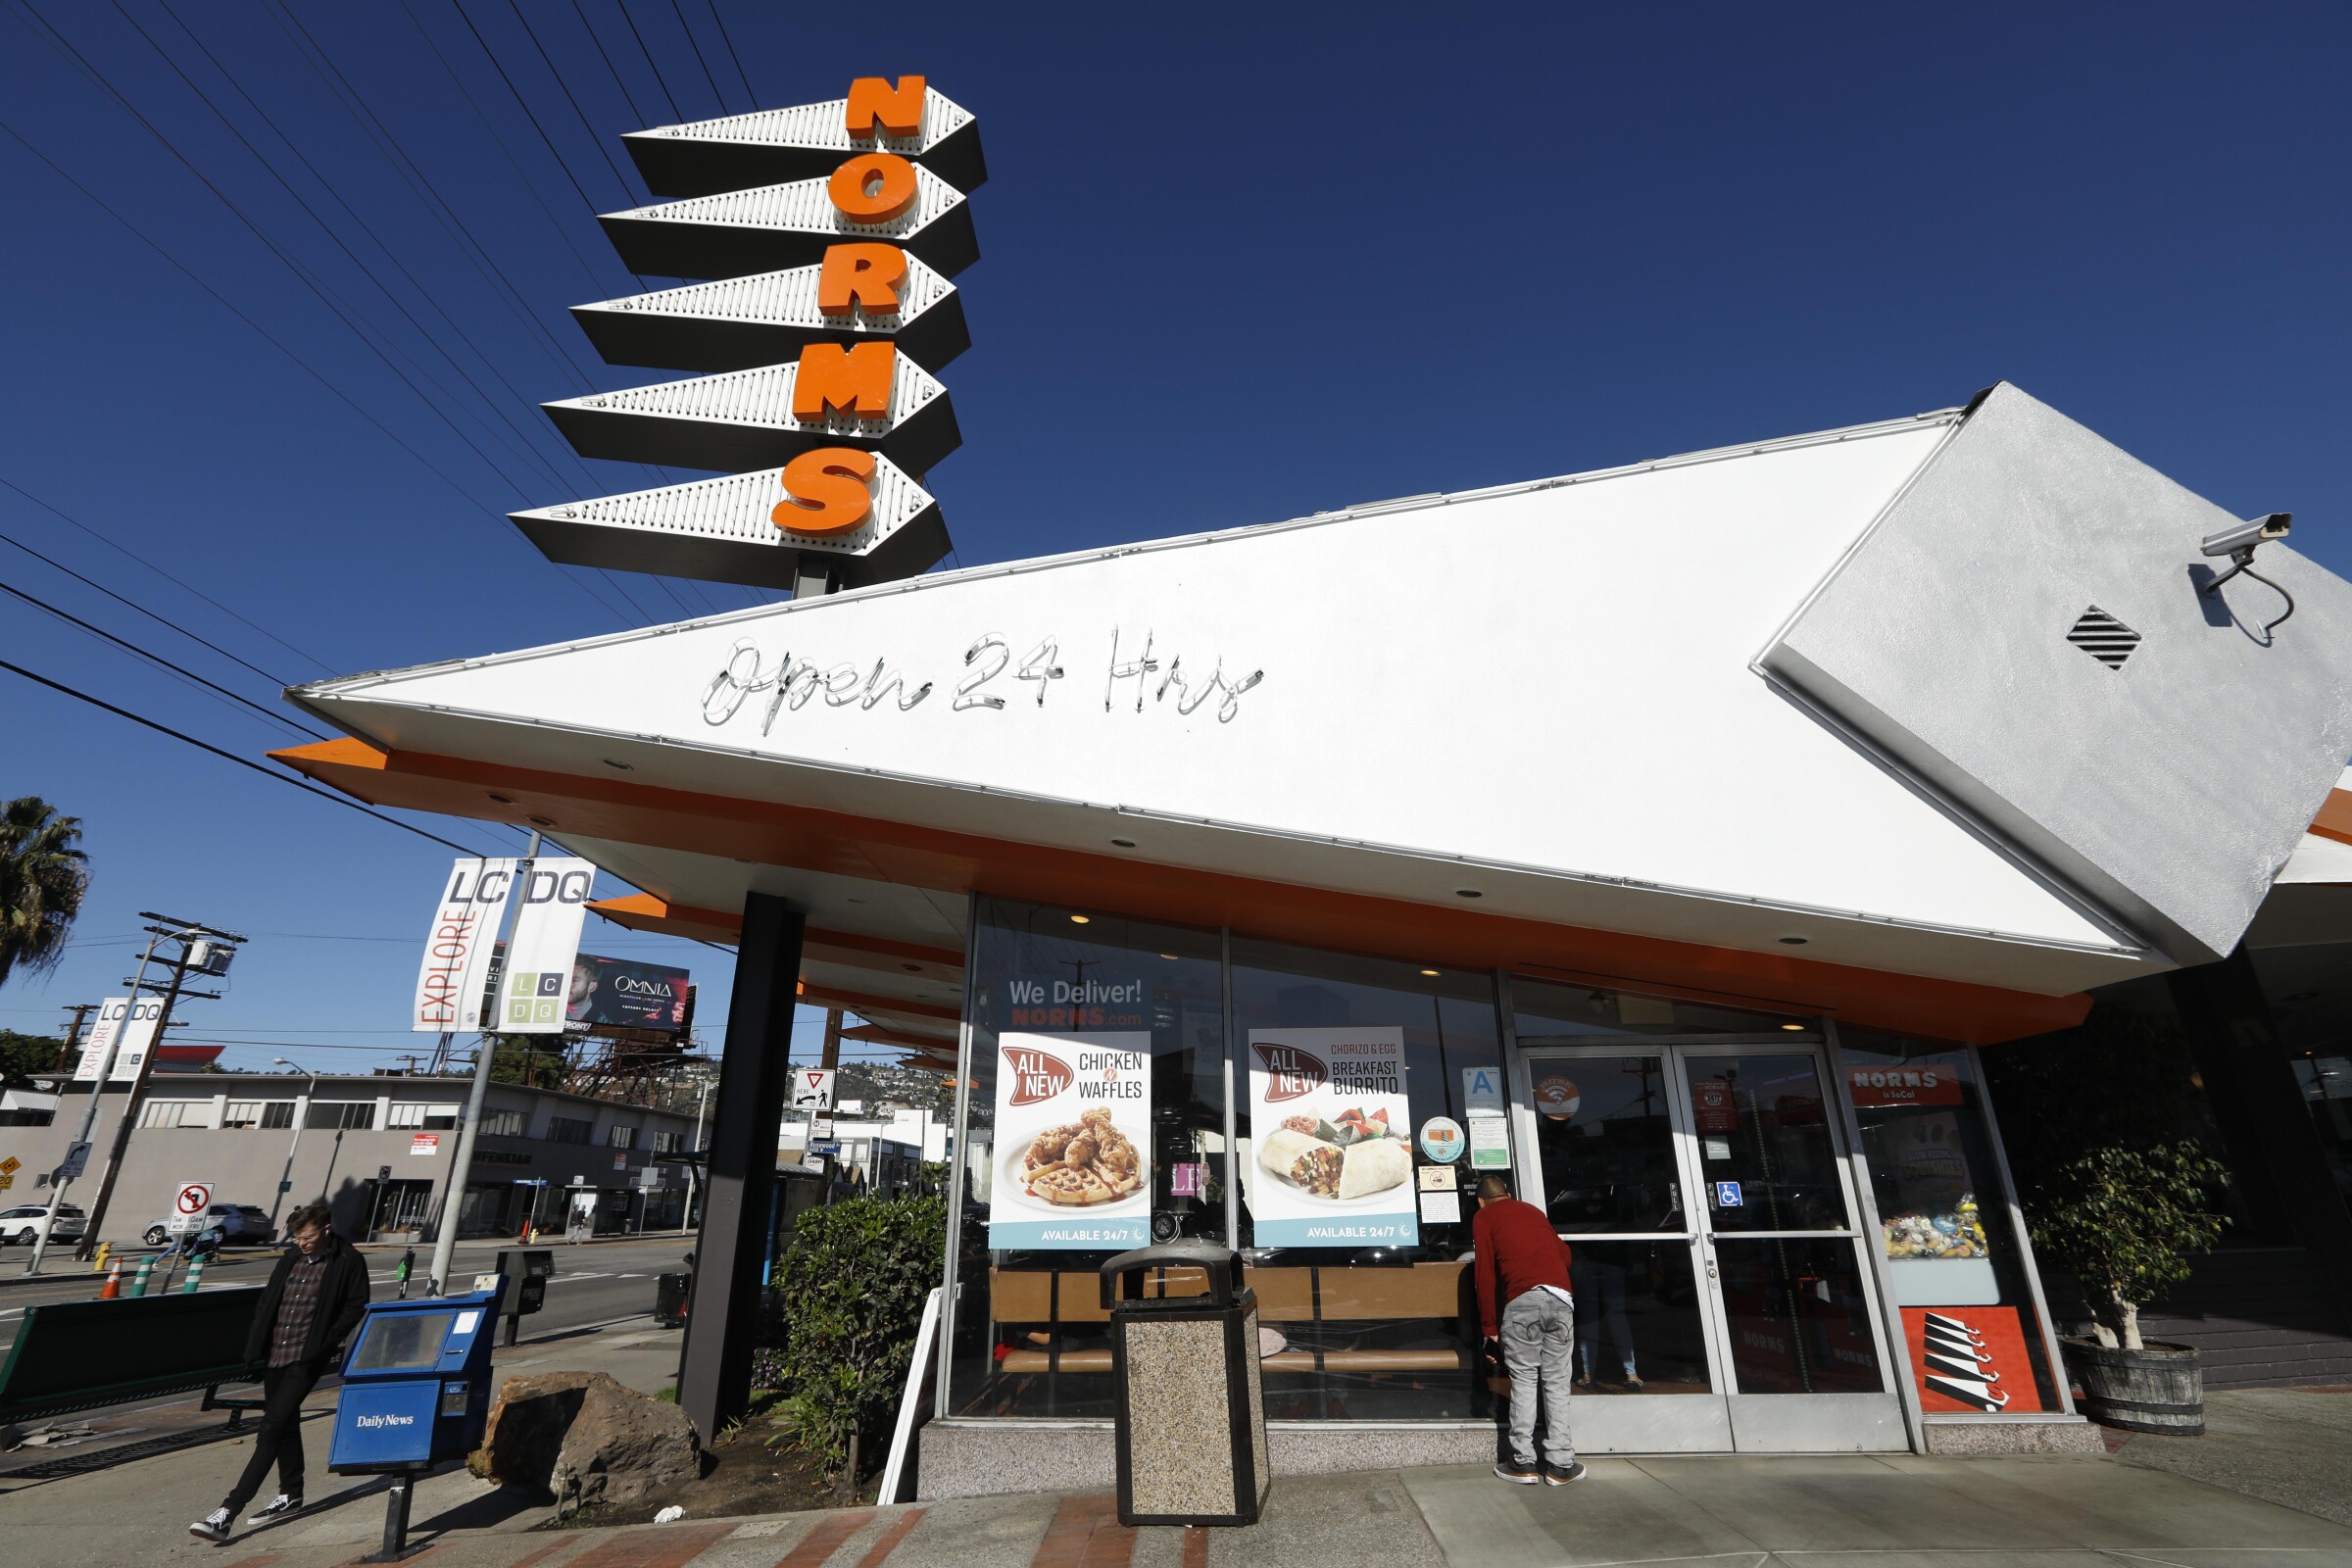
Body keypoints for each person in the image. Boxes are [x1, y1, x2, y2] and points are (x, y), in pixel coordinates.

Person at [187, 1202, 370, 1543]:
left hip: (308, 1356)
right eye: (297, 1236)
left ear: (326, 1230)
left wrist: (328, 1341)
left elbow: (356, 1303)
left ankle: (226, 1513)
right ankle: (291, 1493)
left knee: (270, 1427)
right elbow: (270, 1299)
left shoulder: (347, 1259)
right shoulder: (291, 1258)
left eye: (308, 1236)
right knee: (284, 1422)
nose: (302, 1242)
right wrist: (258, 1338)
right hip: (276, 1353)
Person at [1472, 1172, 1585, 1487]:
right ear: (1507, 1193)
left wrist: (1489, 1326)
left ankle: (1522, 1462)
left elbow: (1484, 1273)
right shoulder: (1533, 1211)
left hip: (1522, 1302)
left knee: (1523, 1380)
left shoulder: (1484, 1217)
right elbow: (1564, 1255)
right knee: (1557, 1382)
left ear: (1481, 1201)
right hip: (1561, 1300)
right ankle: (1561, 1464)